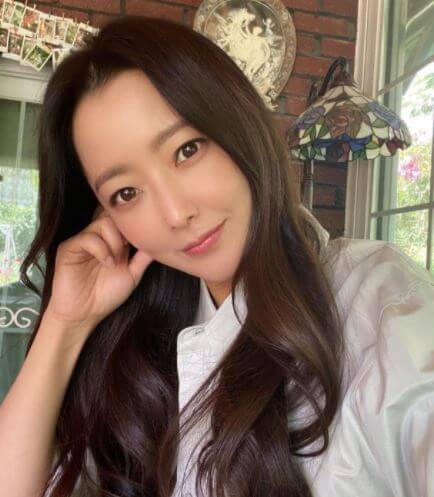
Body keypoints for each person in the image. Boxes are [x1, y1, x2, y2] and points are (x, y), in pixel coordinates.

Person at [0, 14, 433, 497]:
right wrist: (66, 324)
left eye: (187, 150)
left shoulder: (382, 304)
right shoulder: (134, 338)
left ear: (238, 123)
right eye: (126, 193)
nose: (175, 213)